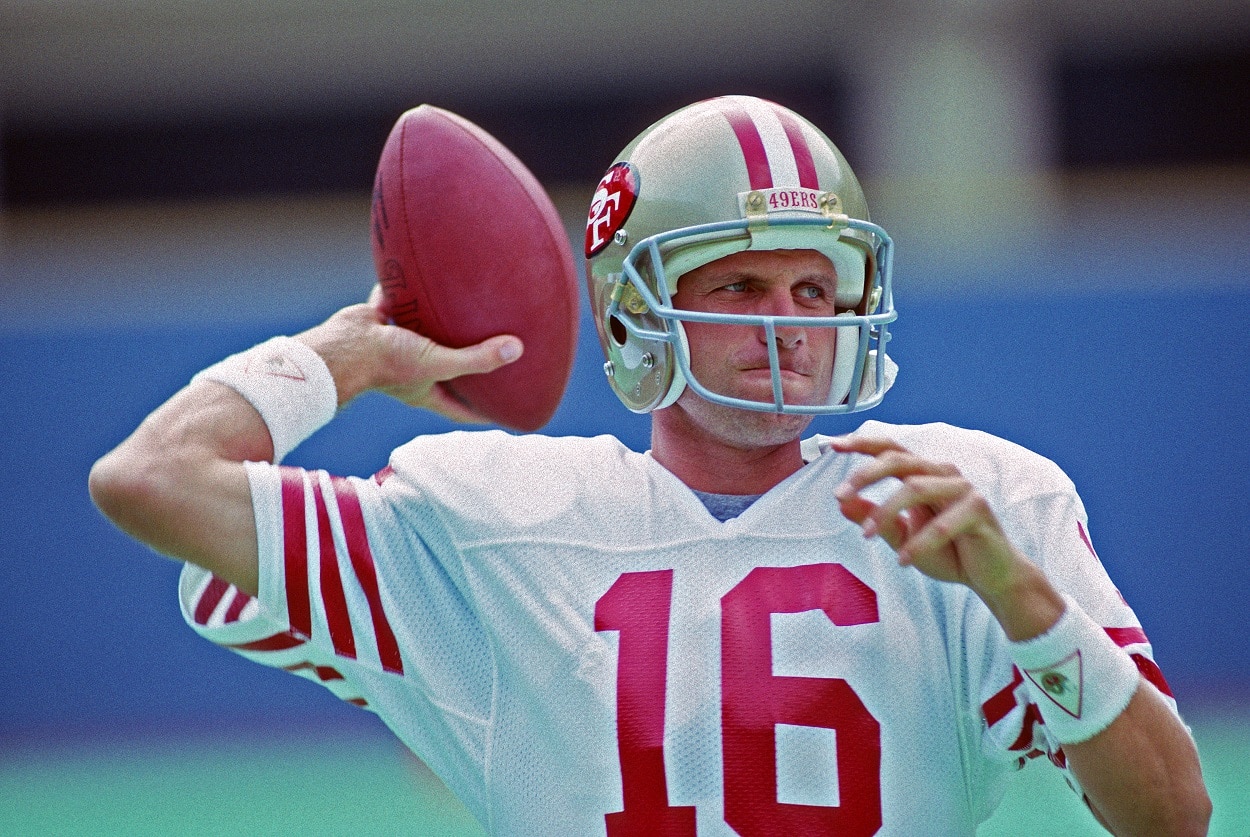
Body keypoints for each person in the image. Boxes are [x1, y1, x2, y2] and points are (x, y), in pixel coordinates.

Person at [89, 95, 1210, 835]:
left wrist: (1024, 602)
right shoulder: (478, 516)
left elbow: (1172, 818)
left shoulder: (971, 504)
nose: (786, 325)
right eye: (736, 285)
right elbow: (149, 479)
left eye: (813, 290)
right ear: (634, 313)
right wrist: (346, 352)